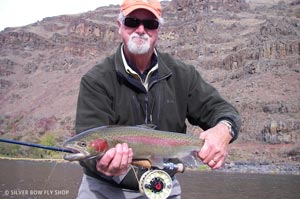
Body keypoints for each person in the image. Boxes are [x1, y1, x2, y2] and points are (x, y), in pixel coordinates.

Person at [75, 0, 241, 198]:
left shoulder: (183, 75)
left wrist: (224, 129)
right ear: (120, 26)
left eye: (150, 24)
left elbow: (222, 110)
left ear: (158, 29)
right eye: (132, 21)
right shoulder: (96, 80)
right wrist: (102, 163)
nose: (141, 29)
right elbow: (88, 138)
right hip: (104, 189)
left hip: (162, 188)